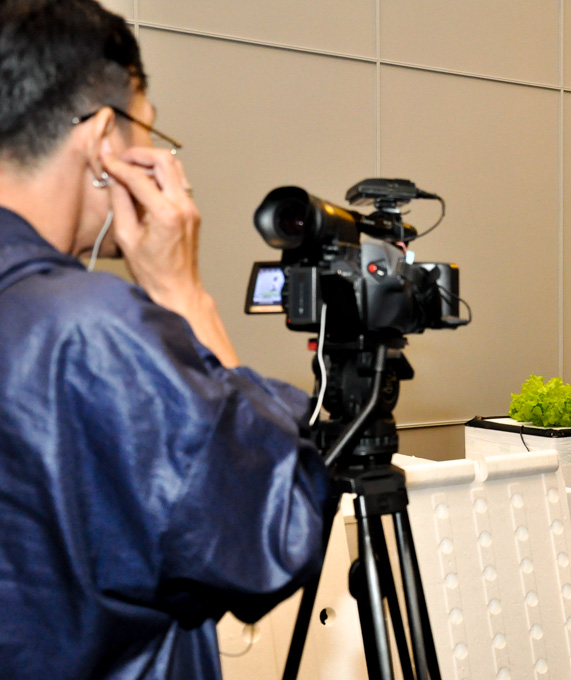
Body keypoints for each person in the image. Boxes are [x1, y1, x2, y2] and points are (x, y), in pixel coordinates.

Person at [0, 2, 329, 678]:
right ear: (103, 143)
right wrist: (183, 294)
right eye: (147, 134)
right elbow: (275, 532)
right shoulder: (94, 331)